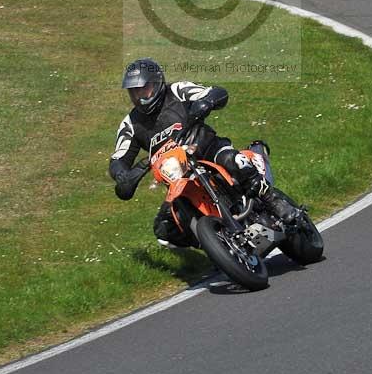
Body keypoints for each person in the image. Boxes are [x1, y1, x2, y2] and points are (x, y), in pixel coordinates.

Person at [109, 57, 298, 248]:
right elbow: (118, 158)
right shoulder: (130, 123)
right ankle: (218, 246)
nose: (139, 97)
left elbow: (214, 92)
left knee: (234, 161)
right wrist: (122, 174)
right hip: (177, 175)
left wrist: (207, 101)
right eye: (134, 92)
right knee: (164, 229)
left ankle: (272, 200)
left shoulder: (176, 91)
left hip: (207, 149)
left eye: (143, 89)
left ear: (157, 83)